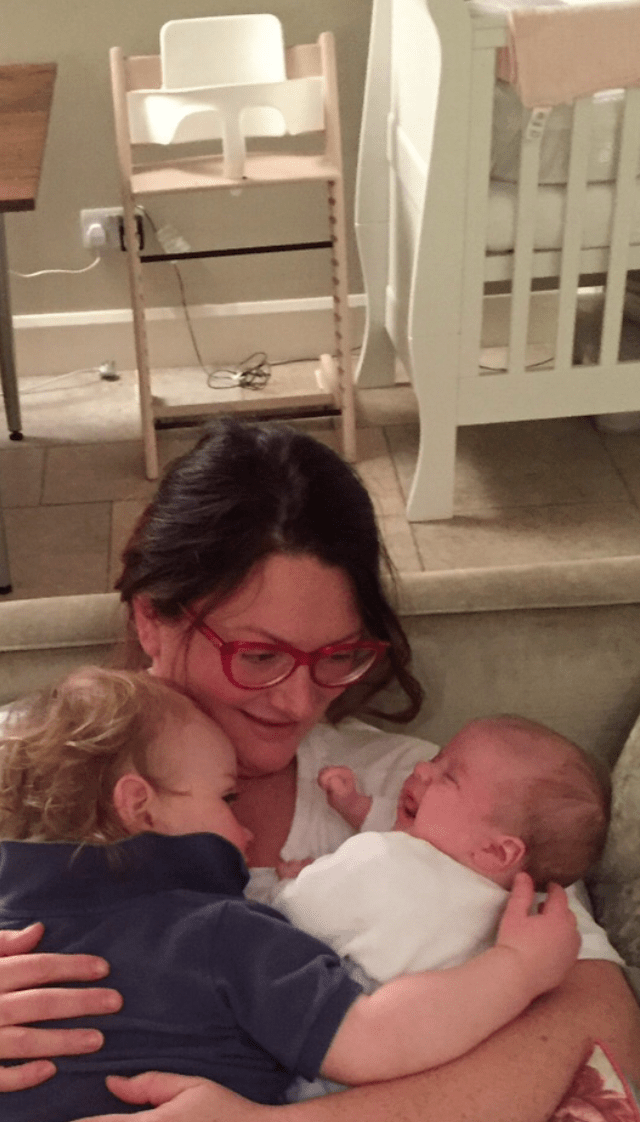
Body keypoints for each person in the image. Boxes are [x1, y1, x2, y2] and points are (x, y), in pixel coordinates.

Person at [0, 420, 639, 1122]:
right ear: (152, 618)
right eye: (260, 655)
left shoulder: (423, 795)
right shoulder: (18, 764)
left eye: (337, 656)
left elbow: (599, 1025)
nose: (298, 701)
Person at [0, 667, 579, 1121]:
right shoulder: (222, 932)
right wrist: (518, 966)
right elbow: (375, 1038)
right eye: (227, 799)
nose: (246, 832)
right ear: (140, 806)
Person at [276, 716, 614, 985]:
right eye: (437, 758)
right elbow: (409, 827)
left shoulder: (386, 860)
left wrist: (298, 881)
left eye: (449, 777)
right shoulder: (514, 918)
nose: (422, 767)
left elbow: (296, 914)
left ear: (496, 852)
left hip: (352, 1005)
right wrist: (355, 805)